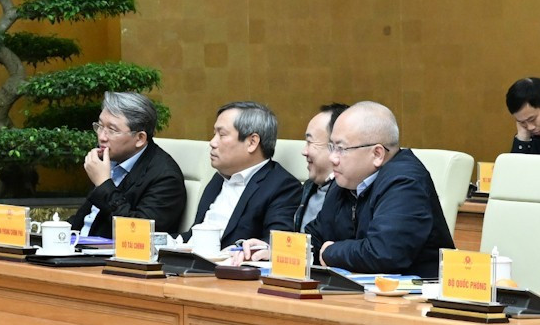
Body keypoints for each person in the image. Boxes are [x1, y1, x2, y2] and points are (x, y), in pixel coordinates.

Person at [273, 101, 452, 278]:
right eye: (331, 147)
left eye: (341, 149)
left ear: (377, 154)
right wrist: (275, 251)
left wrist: (331, 252)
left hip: (412, 298)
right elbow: (314, 238)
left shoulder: (405, 182)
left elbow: (383, 254)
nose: (333, 158)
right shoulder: (344, 182)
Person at [67, 91, 186, 235]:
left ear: (140, 138)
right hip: (78, 247)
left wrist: (104, 185)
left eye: (112, 130)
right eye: (100, 126)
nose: (102, 137)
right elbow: (87, 219)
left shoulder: (166, 178)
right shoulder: (112, 160)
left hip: (109, 255)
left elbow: (139, 233)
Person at [188, 102, 301, 245]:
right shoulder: (219, 178)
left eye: (222, 135)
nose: (212, 142)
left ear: (252, 142)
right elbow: (195, 234)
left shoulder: (283, 187)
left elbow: (276, 244)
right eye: (214, 134)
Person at [290, 103, 346, 235]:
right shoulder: (309, 187)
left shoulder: (350, 193)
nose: (304, 151)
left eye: (310, 142)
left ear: (337, 146)